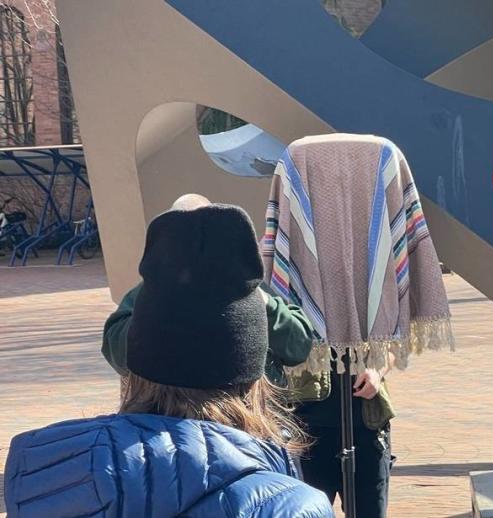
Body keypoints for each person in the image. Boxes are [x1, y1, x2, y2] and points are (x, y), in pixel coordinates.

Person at [3, 204, 334, 517]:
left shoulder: (44, 474)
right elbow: (299, 342)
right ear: (254, 378)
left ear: (135, 371)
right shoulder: (290, 506)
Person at [101, 194, 315, 388]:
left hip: (237, 404)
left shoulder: (248, 285)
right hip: (182, 405)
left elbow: (298, 346)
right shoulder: (151, 292)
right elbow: (117, 351)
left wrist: (263, 302)